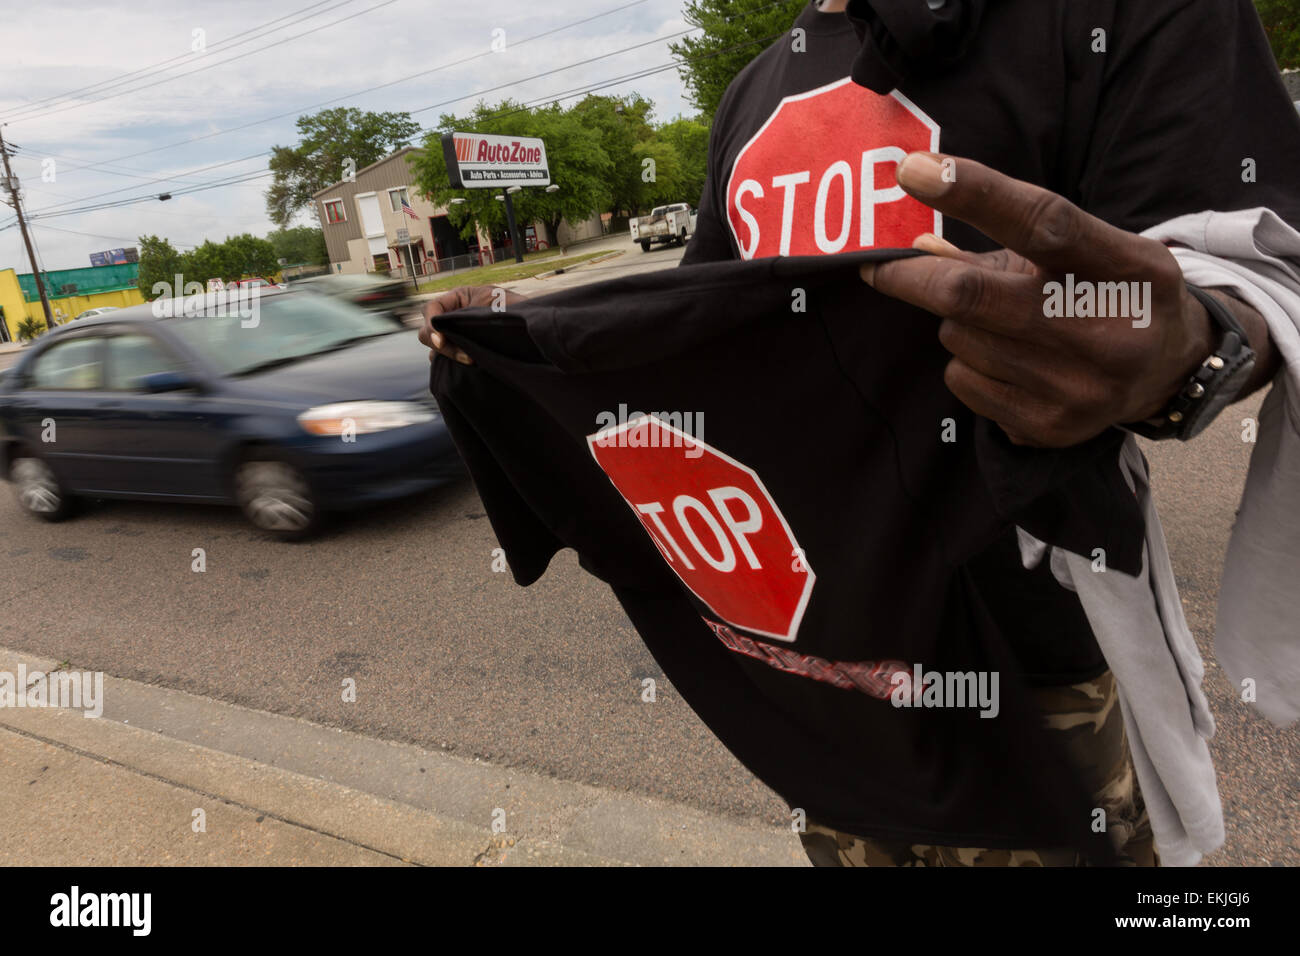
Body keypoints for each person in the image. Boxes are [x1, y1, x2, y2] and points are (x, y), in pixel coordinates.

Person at [422, 0, 1300, 865]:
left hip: (1034, 666)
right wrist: (523, 328)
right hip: (817, 671)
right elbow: (702, 332)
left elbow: (1244, 264)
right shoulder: (756, 84)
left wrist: (1196, 345)